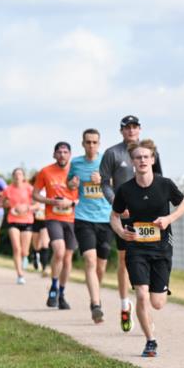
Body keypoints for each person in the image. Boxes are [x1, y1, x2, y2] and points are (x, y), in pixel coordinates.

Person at [110, 139, 184, 357]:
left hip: (162, 248)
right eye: (138, 157)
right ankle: (150, 341)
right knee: (142, 296)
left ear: (152, 160)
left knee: (157, 303)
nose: (142, 160)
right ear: (132, 161)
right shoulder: (125, 190)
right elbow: (114, 216)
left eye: (146, 157)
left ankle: (157, 297)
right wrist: (120, 232)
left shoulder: (165, 184)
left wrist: (168, 218)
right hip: (136, 248)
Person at [101, 115, 164, 332]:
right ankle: (124, 304)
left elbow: (160, 180)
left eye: (134, 127)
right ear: (121, 131)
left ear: (139, 129)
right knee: (124, 259)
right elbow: (104, 183)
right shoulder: (113, 153)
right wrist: (115, 204)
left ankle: (145, 301)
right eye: (127, 127)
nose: (131, 131)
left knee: (151, 256)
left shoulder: (149, 151)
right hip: (126, 214)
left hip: (148, 217)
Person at [69, 128, 115, 323]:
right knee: (90, 260)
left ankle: (95, 294)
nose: (91, 145)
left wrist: (104, 180)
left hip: (105, 218)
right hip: (83, 217)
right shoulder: (76, 163)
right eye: (88, 142)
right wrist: (72, 183)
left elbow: (117, 183)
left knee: (101, 266)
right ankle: (95, 304)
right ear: (82, 143)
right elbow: (70, 183)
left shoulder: (107, 161)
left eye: (94, 142)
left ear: (99, 143)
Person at [33, 142, 80, 309]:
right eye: (59, 152)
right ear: (54, 154)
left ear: (70, 155)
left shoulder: (77, 172)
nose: (62, 155)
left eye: (65, 152)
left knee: (67, 258)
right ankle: (53, 286)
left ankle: (61, 293)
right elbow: (35, 194)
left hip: (72, 219)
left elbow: (84, 197)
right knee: (59, 252)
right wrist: (49, 201)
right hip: (53, 217)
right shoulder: (45, 171)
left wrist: (72, 202)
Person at [1, 167, 35, 285]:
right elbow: (1, 203)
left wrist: (27, 208)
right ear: (13, 176)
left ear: (23, 177)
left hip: (27, 220)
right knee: (16, 248)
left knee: (24, 251)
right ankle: (20, 275)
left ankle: (25, 256)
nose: (17, 176)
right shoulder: (8, 189)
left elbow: (38, 204)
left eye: (20, 174)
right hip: (13, 220)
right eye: (15, 174)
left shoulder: (29, 188)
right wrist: (6, 204)